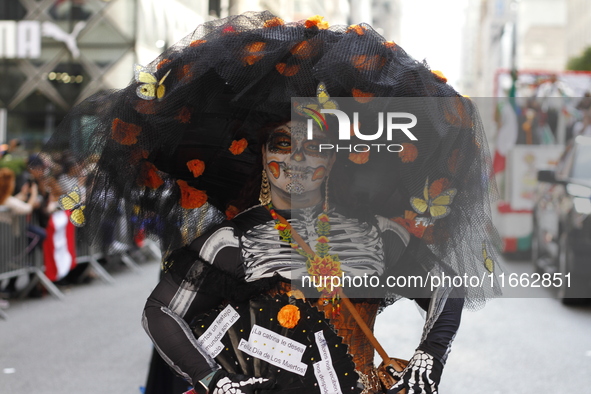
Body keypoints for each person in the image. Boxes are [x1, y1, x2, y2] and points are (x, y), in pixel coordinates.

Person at [39, 12, 502, 394]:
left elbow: (445, 283)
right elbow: (161, 312)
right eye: (282, 143)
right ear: (263, 154)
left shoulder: (376, 234)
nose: (298, 158)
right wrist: (214, 381)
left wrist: (429, 355)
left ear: (334, 160)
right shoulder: (230, 242)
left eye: (314, 144)